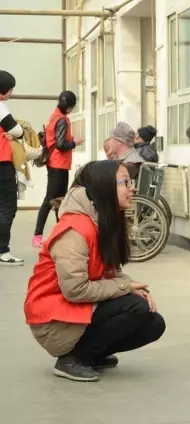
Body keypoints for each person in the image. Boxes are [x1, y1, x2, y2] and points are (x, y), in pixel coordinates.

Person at [24, 160, 166, 382]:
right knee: (135, 306)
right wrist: (125, 287)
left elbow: (110, 271)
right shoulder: (75, 230)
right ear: (103, 187)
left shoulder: (102, 221)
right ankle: (73, 359)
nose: (133, 188)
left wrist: (135, 287)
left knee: (154, 323)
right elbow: (75, 289)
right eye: (125, 182)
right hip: (53, 321)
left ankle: (92, 354)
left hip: (75, 310)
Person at [32, 91, 84, 248]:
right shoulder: (62, 120)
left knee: (59, 200)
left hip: (55, 163)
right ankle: (37, 236)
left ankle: (60, 233)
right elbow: (61, 144)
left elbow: (55, 140)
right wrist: (74, 143)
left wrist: (70, 139)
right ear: (70, 107)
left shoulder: (54, 116)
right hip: (58, 164)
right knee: (51, 200)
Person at [0, 70, 24, 265]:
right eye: (10, 90)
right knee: (8, 207)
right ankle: (3, 251)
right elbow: (17, 130)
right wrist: (17, 133)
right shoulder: (0, 107)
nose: (11, 93)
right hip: (2, 163)